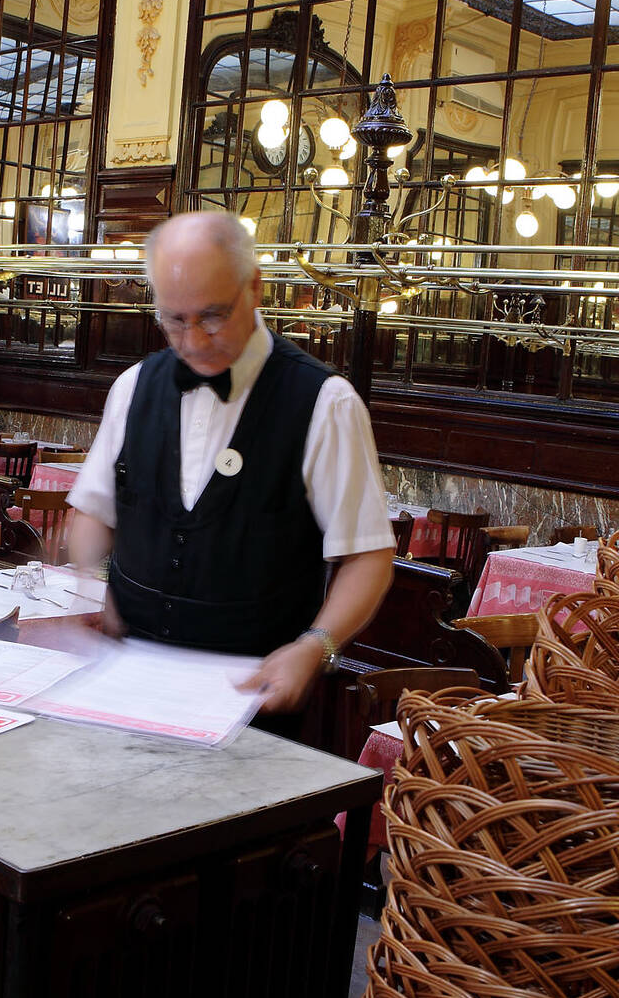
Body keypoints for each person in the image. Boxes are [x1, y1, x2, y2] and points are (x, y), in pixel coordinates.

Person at [65, 210, 394, 732]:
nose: (193, 340)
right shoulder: (133, 386)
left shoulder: (324, 403)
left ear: (255, 288)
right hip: (126, 691)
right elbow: (93, 513)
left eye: (212, 316)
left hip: (255, 708)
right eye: (174, 319)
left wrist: (316, 646)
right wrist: (92, 582)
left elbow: (368, 556)